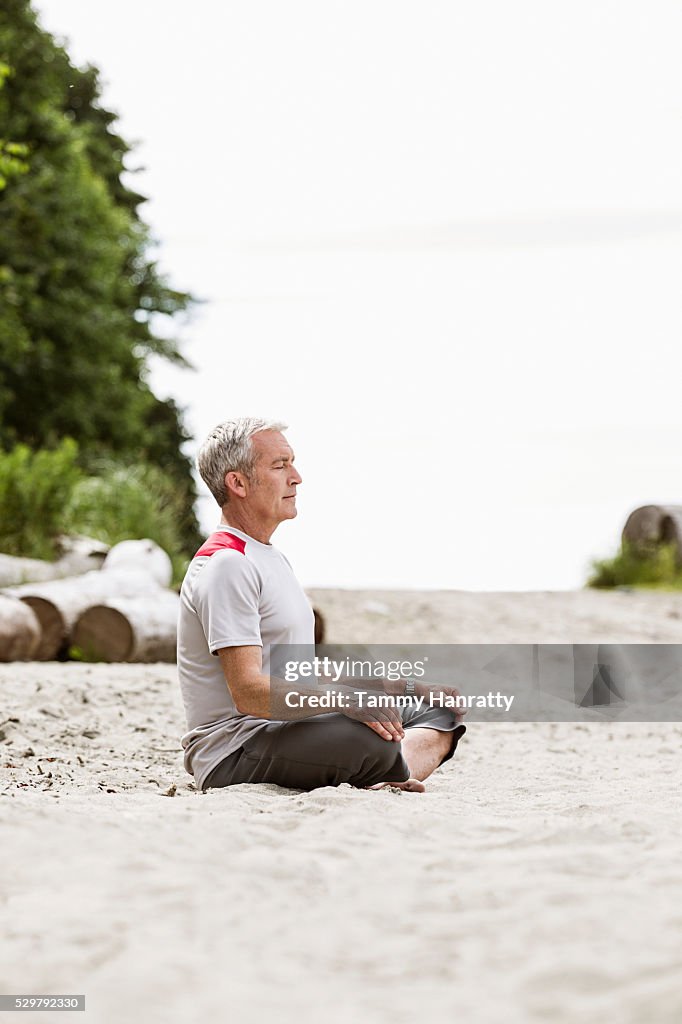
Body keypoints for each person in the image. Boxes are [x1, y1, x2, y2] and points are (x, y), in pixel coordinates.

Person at [177, 417, 466, 793]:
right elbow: (248, 691)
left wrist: (406, 687)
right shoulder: (227, 565)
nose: (296, 477)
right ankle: (387, 767)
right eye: (280, 466)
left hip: (287, 728)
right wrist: (349, 702)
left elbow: (301, 673)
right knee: (367, 734)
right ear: (238, 483)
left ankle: (390, 773)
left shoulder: (270, 558)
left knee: (436, 710)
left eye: (292, 463)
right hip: (234, 748)